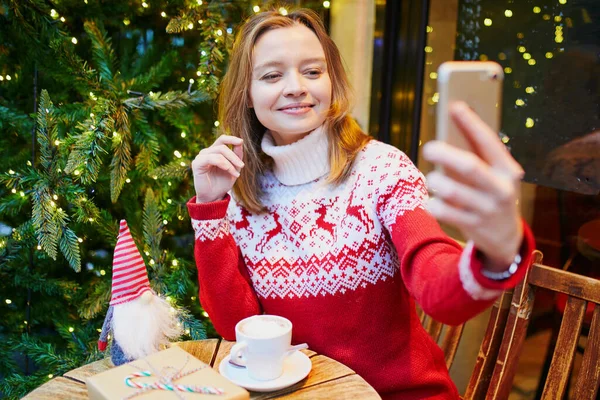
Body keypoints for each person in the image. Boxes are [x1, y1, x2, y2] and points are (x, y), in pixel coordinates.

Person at [187, 9, 535, 400]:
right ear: (247, 96)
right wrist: (210, 208)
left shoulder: (381, 170)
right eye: (272, 75)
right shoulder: (240, 189)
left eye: (313, 71)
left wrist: (493, 255)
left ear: (332, 82)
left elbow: (437, 284)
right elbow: (238, 327)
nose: (296, 87)